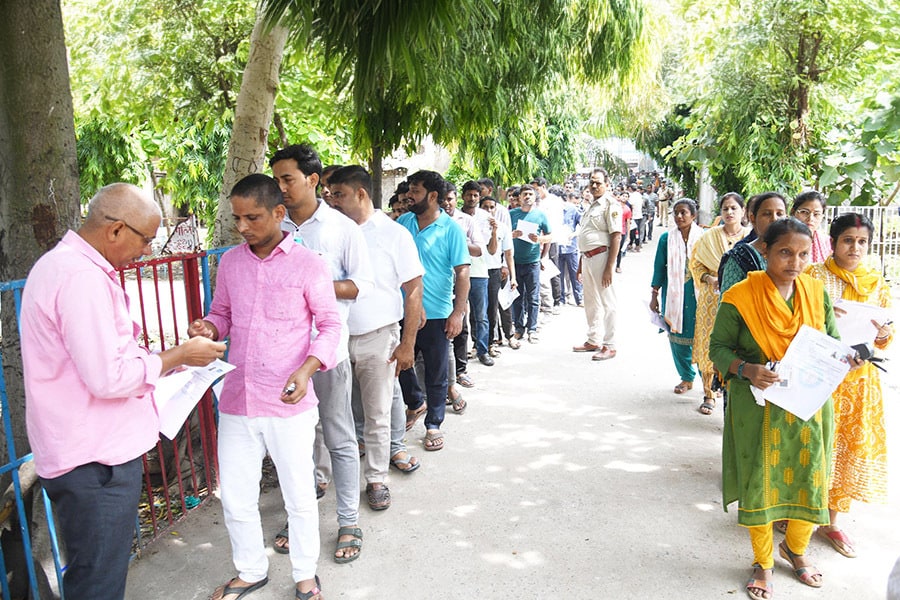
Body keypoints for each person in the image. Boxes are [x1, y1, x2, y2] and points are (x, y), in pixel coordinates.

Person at [20, 183, 226, 600]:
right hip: (94, 460)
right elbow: (109, 378)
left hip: (87, 450)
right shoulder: (80, 278)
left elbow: (101, 356)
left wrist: (171, 361)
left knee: (95, 570)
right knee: (98, 580)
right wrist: (175, 355)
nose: (148, 252)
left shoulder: (65, 267)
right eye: (146, 239)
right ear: (115, 230)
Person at [190, 174, 340, 600]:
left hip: (288, 401)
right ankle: (251, 569)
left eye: (252, 217)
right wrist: (208, 325)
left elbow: (330, 325)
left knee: (298, 496)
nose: (243, 227)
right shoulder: (232, 263)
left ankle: (305, 575)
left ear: (278, 213)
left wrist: (308, 368)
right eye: (237, 218)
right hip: (237, 397)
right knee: (236, 496)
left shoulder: (309, 264)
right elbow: (221, 312)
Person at [710, 218, 863, 600]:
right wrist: (746, 369)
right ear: (764, 251)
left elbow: (831, 343)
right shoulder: (740, 297)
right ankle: (762, 562)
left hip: (809, 409)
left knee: (810, 482)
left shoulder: (815, 292)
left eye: (802, 253)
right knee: (761, 485)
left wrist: (849, 357)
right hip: (758, 408)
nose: (795, 262)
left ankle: (795, 549)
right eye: (784, 252)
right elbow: (718, 350)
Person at [271, 143, 375, 564]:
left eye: (287, 179)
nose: (280, 188)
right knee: (292, 440)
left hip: (326, 349)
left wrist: (311, 284)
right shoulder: (272, 227)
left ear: (313, 180)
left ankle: (348, 520)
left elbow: (361, 284)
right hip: (281, 352)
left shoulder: (340, 228)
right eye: (276, 179)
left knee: (338, 434)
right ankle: (299, 517)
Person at [328, 165, 425, 511]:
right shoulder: (332, 232)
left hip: (378, 336)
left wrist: (407, 343)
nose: (331, 200)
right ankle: (328, 478)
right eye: (330, 194)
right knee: (336, 413)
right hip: (334, 337)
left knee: (377, 412)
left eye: (338, 194)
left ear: (361, 194)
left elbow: (413, 290)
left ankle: (376, 479)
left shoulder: (393, 234)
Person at [806, 212, 893, 558]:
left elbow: (885, 335)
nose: (855, 248)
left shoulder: (877, 282)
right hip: (820, 377)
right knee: (813, 444)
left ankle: (832, 521)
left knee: (844, 449)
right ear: (833, 241)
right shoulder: (814, 276)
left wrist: (884, 334)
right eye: (848, 240)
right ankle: (797, 513)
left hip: (859, 383)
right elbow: (799, 321)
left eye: (861, 242)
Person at [397, 170, 471, 451]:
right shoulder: (404, 222)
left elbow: (462, 272)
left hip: (438, 311)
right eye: (409, 190)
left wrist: (458, 313)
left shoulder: (450, 229)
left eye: (415, 191)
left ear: (432, 196)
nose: (409, 196)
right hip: (404, 309)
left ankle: (434, 424)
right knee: (400, 363)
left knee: (436, 372)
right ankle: (416, 402)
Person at [688, 192, 750, 414]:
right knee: (710, 343)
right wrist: (710, 278)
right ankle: (708, 393)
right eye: (725, 209)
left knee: (736, 343)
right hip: (712, 299)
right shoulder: (708, 237)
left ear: (743, 212)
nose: (730, 212)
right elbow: (695, 265)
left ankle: (729, 388)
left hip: (742, 299)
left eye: (734, 208)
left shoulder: (751, 238)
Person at [650, 199, 703, 395]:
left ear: (694, 215)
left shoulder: (704, 237)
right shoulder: (666, 238)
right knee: (677, 336)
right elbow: (659, 267)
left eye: (684, 213)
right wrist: (654, 295)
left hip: (698, 295)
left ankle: (709, 381)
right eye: (676, 213)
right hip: (673, 296)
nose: (679, 217)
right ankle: (686, 377)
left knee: (701, 337)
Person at [573, 168, 622, 360]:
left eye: (598, 183)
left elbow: (616, 236)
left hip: (602, 257)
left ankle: (610, 344)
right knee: (591, 302)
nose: (594, 186)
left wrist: (610, 268)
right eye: (592, 182)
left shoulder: (611, 204)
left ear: (607, 185)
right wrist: (580, 264)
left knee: (608, 303)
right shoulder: (591, 205)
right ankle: (593, 339)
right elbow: (586, 236)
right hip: (587, 258)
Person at [717, 192, 787, 295]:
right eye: (767, 214)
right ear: (753, 218)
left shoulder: (794, 254)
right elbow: (727, 304)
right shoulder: (740, 257)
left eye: (779, 214)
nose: (774, 219)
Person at [509, 184, 552, 345]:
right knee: (517, 297)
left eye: (530, 194)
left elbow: (550, 236)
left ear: (535, 197)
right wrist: (511, 235)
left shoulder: (540, 215)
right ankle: (519, 328)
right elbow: (502, 236)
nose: (527, 197)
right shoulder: (512, 214)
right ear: (519, 198)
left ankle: (532, 329)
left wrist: (539, 240)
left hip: (532, 261)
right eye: (524, 194)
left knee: (533, 297)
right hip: (514, 261)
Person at [790, 190, 831, 263]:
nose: (810, 219)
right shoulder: (782, 239)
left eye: (816, 214)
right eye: (804, 212)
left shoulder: (828, 243)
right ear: (793, 212)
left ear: (822, 217)